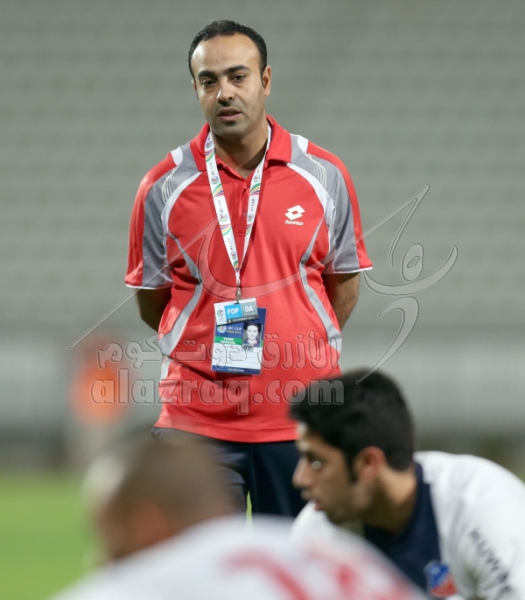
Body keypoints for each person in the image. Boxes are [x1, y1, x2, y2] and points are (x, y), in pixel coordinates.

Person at [125, 19, 372, 517]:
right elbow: (153, 303)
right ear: (196, 89)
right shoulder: (162, 186)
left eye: (238, 76)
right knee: (198, 565)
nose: (225, 93)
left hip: (301, 421)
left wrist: (294, 345)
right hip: (195, 425)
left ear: (266, 80)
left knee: (298, 565)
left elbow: (342, 291)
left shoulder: (324, 175)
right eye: (209, 81)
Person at [50, 438, 425, 600]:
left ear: (144, 525)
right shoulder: (343, 559)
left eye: (109, 539)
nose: (99, 560)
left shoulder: (157, 584)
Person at [290, 369, 525, 599]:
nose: (300, 478)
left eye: (316, 462)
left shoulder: (482, 510)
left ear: (369, 463)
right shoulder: (317, 531)